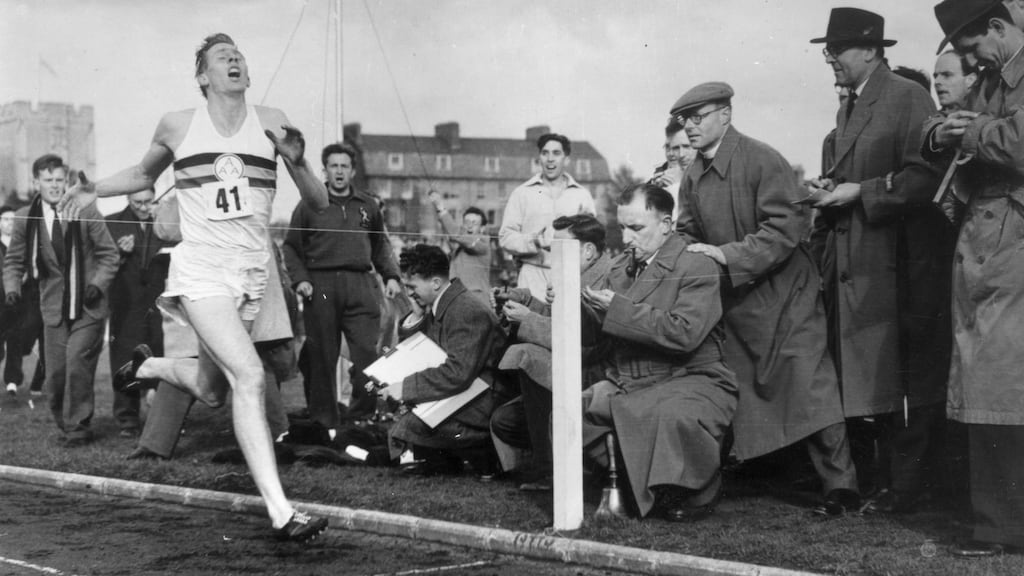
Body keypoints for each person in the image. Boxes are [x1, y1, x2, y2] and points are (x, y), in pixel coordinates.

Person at [59, 33, 329, 541]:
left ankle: (149, 366)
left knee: (211, 388)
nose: (234, 60)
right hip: (201, 270)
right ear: (203, 76)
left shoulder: (271, 120)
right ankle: (282, 512)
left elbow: (316, 204)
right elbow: (142, 173)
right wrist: (90, 187)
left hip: (252, 271)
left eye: (239, 56)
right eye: (222, 57)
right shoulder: (180, 124)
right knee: (248, 375)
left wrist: (299, 160)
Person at [672, 81, 859, 516]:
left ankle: (841, 486)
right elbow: (687, 231)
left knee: (811, 385)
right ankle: (756, 472)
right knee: (746, 388)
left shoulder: (762, 158)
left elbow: (786, 227)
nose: (690, 128)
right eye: (685, 121)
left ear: (726, 115)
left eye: (698, 118)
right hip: (740, 301)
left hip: (788, 295)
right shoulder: (694, 174)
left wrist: (725, 254)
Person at [807, 8, 949, 513]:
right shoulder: (851, 105)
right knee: (872, 380)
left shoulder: (908, 97)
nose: (830, 59)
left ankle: (903, 489)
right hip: (856, 265)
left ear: (870, 49)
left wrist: (856, 192)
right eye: (828, 50)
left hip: (895, 265)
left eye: (837, 49)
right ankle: (882, 484)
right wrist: (830, 188)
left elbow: (925, 178)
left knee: (898, 382)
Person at [926, 0, 1024, 556]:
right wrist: (950, 132)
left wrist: (971, 130)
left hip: (1011, 245)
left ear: (996, 28)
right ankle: (996, 524)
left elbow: (1017, 143)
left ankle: (1002, 526)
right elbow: (938, 126)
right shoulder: (994, 78)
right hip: (987, 245)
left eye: (970, 50)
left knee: (1003, 390)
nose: (970, 62)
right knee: (990, 389)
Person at [579, 183, 737, 521]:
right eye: (622, 227)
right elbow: (599, 334)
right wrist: (577, 303)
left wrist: (617, 311)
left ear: (666, 225)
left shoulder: (696, 265)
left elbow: (684, 333)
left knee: (667, 416)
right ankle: (638, 479)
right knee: (570, 412)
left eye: (636, 228)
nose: (626, 238)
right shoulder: (621, 268)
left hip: (693, 378)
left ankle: (692, 491)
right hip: (634, 380)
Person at [282, 142, 402, 431]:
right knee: (322, 356)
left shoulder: (368, 205)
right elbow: (291, 248)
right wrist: (302, 280)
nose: (339, 171)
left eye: (344, 166)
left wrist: (392, 276)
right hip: (321, 285)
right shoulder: (309, 204)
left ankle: (359, 418)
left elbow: (380, 245)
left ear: (353, 171)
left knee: (368, 354)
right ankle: (325, 423)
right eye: (333, 166)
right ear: (324, 170)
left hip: (360, 283)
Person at [489, 213, 614, 490]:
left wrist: (528, 319)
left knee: (528, 357)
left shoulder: (604, 281)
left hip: (595, 376)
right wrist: (525, 301)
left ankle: (555, 471)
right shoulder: (582, 273)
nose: (551, 258)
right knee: (504, 421)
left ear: (588, 251)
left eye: (559, 249)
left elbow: (583, 342)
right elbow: (560, 320)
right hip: (585, 374)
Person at [3, 154, 118, 445]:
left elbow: (109, 254)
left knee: (77, 359)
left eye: (59, 180)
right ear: (36, 182)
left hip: (88, 305)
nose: (55, 186)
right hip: (53, 306)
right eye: (48, 180)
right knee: (55, 374)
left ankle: (79, 425)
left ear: (66, 181)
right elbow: (14, 261)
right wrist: (12, 288)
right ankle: (66, 423)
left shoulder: (86, 209)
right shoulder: (24, 218)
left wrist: (97, 283)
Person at [383, 244, 508, 476]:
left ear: (436, 283)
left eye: (412, 286)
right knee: (408, 421)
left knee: (410, 425)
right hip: (469, 393)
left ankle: (481, 449)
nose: (408, 293)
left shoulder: (465, 309)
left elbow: (457, 372)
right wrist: (418, 315)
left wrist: (405, 388)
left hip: (484, 401)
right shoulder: (446, 304)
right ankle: (452, 456)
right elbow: (423, 352)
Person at [105, 189, 175, 437]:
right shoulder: (111, 223)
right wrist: (120, 253)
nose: (144, 208)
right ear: (127, 199)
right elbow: (102, 262)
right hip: (126, 304)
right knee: (124, 359)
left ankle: (161, 420)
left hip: (157, 304)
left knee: (160, 355)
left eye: (148, 202)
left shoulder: (164, 222)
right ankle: (127, 420)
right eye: (138, 203)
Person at [499, 133, 595, 299]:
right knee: (528, 323)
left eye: (556, 153)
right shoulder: (522, 193)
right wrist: (535, 241)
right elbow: (505, 237)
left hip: (570, 276)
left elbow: (593, 240)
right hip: (532, 275)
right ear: (539, 158)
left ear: (566, 159)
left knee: (568, 325)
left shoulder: (582, 195)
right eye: (545, 153)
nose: (550, 159)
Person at [427, 190, 491, 303]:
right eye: (467, 222)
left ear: (482, 228)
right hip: (459, 298)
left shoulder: (483, 243)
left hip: (476, 300)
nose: (469, 226)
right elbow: (450, 233)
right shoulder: (461, 246)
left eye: (474, 223)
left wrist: (440, 207)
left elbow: (454, 233)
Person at [650, 119, 697, 220]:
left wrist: (676, 188)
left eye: (687, 146)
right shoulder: (662, 177)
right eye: (675, 148)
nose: (681, 155)